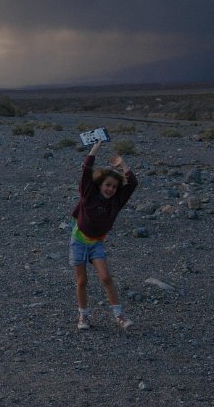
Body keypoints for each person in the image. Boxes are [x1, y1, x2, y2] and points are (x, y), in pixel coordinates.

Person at [70, 139, 138, 330]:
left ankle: (120, 316)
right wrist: (95, 149)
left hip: (96, 243)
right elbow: (86, 171)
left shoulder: (117, 201)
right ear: (100, 185)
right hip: (78, 242)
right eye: (108, 185)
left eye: (114, 187)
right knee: (82, 281)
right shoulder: (88, 195)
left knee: (106, 277)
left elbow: (132, 183)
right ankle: (83, 317)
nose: (111, 189)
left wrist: (122, 164)